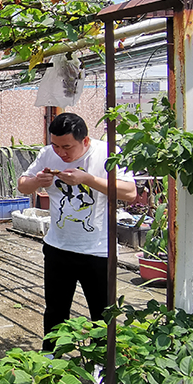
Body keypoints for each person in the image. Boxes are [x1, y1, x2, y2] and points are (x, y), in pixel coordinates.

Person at [18, 112, 137, 352]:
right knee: (55, 311)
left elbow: (130, 192)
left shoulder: (107, 153)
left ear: (85, 140)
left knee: (102, 314)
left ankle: (101, 364)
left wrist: (88, 179)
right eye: (56, 145)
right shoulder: (47, 154)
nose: (61, 153)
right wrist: (38, 182)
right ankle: (51, 360)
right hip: (58, 248)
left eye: (67, 147)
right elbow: (22, 185)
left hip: (98, 252)